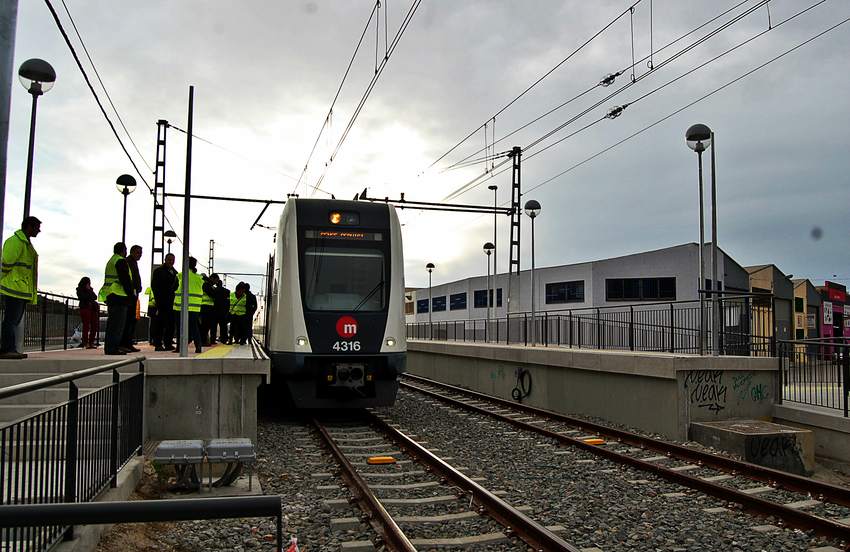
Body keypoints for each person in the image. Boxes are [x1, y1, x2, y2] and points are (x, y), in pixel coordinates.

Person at [0, 216, 41, 359]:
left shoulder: (25, 243)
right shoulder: (16, 242)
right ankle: (7, 349)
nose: (39, 231)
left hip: (21, 288)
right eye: (37, 227)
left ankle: (10, 348)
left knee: (13, 320)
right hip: (14, 287)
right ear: (29, 226)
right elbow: (6, 262)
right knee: (11, 320)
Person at [101, 242, 133, 355]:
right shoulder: (120, 261)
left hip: (111, 294)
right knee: (117, 325)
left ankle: (111, 347)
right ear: (123, 250)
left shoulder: (111, 260)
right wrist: (131, 294)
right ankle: (113, 348)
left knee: (112, 323)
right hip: (119, 295)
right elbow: (125, 279)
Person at [172, 257, 204, 354]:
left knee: (180, 328)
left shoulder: (180, 276)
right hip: (195, 307)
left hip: (180, 306)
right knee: (194, 328)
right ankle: (198, 346)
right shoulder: (199, 278)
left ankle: (179, 347)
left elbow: (173, 288)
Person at [151, 253, 177, 351]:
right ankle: (158, 344)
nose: (171, 262)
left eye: (172, 260)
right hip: (162, 301)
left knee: (170, 324)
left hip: (171, 302)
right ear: (165, 259)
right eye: (169, 259)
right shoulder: (159, 271)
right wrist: (159, 300)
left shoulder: (175, 273)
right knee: (160, 324)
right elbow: (155, 286)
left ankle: (168, 343)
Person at [120, 245, 143, 353]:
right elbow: (129, 278)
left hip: (134, 294)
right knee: (128, 320)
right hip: (130, 295)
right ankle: (125, 343)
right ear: (132, 252)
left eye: (141, 253)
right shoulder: (128, 261)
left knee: (132, 320)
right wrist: (133, 290)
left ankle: (128, 343)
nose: (140, 255)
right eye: (138, 252)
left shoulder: (133, 262)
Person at [76, 277, 99, 349]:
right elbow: (82, 297)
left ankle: (91, 342)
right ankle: (85, 342)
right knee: (86, 326)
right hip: (85, 308)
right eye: (88, 283)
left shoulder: (90, 290)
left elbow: (95, 297)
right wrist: (89, 293)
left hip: (92, 309)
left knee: (94, 325)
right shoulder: (79, 289)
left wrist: (89, 291)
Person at [199, 273, 216, 346]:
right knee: (205, 325)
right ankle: (203, 341)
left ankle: (204, 340)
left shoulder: (207, 285)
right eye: (215, 280)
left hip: (206, 307)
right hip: (206, 307)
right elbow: (212, 294)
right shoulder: (206, 284)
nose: (215, 283)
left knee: (205, 325)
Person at [214, 278, 230, 343]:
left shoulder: (215, 290)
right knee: (223, 326)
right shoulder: (227, 291)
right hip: (224, 311)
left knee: (214, 326)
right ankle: (224, 339)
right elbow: (228, 302)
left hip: (215, 310)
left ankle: (213, 339)